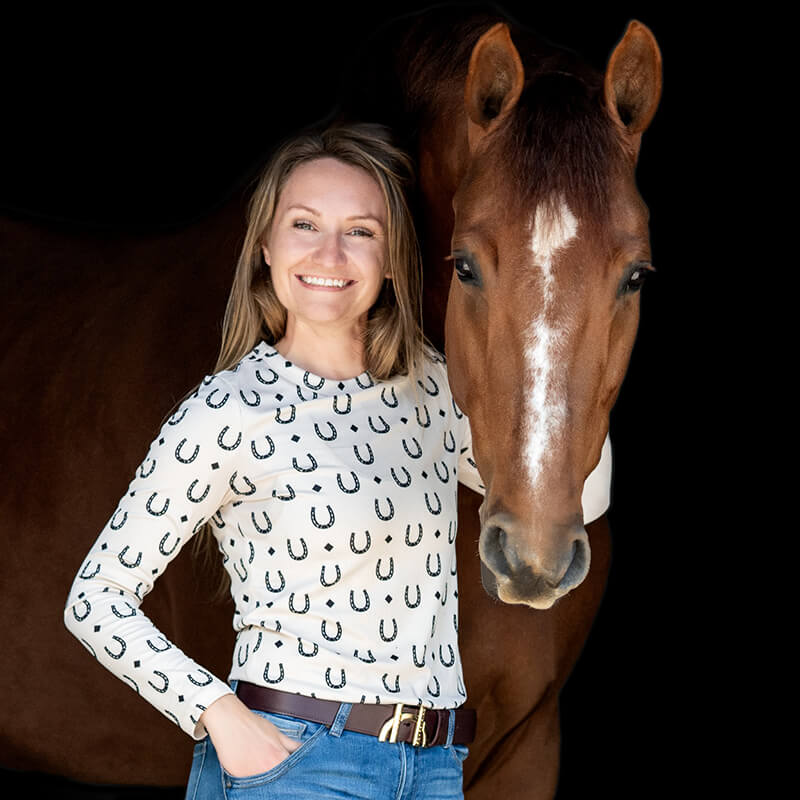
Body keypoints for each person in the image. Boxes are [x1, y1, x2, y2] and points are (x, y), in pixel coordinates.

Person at [64, 123, 611, 799]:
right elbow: (95, 599)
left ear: (389, 257)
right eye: (304, 224)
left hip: (436, 765)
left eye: (360, 230)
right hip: (297, 760)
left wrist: (569, 351)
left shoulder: (434, 390)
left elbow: (582, 499)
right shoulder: (230, 410)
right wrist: (219, 716)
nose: (331, 251)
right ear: (265, 245)